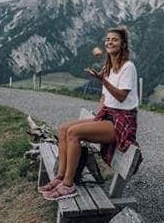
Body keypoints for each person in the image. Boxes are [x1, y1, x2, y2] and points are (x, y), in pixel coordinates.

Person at [40, 26, 139, 201]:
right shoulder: (108, 66)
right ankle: (60, 177)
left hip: (121, 122)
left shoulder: (128, 67)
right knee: (63, 128)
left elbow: (122, 97)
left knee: (74, 133)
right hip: (108, 117)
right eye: (107, 39)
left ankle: (69, 185)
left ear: (123, 44)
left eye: (114, 39)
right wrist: (97, 117)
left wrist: (103, 80)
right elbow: (104, 96)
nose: (109, 42)